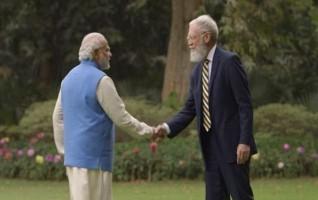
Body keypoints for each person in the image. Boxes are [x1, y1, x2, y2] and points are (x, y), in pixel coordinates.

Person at [154, 15, 257, 200]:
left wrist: (244, 141)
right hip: (210, 150)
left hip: (234, 149)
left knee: (241, 197)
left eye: (191, 37)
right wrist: (166, 128)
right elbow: (189, 109)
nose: (188, 42)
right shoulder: (196, 72)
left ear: (206, 37)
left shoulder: (229, 62)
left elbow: (245, 105)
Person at [52, 32, 154, 200]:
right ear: (96, 53)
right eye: (106, 50)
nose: (110, 54)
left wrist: (65, 150)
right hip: (95, 160)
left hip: (74, 160)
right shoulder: (101, 80)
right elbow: (122, 118)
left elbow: (57, 118)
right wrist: (149, 131)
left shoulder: (67, 79)